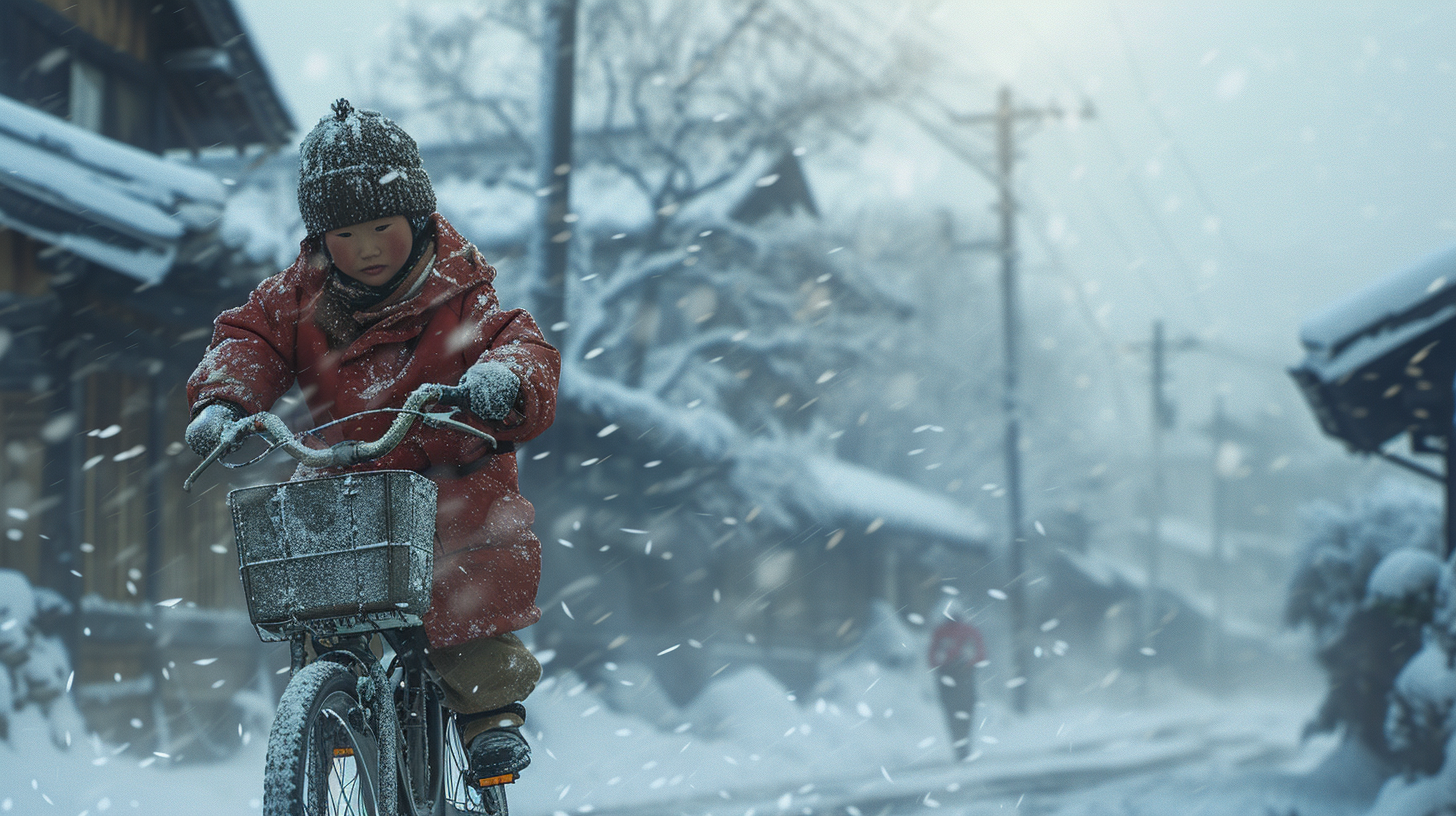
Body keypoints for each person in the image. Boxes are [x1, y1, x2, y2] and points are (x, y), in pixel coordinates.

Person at [184, 99, 559, 785]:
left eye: (382, 227)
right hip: (347, 479)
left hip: (449, 472)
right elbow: (250, 339)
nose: (365, 248)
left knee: (465, 592)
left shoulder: (459, 292)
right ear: (321, 237)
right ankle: (332, 708)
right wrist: (225, 400)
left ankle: (486, 720)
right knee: (323, 596)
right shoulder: (297, 295)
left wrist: (502, 382)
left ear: (415, 219)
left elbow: (520, 345)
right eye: (345, 234)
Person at [927, 602, 985, 761]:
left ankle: (959, 745)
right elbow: (980, 654)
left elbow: (932, 658)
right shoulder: (968, 631)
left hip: (949, 675)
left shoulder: (941, 632)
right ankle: (962, 745)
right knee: (964, 711)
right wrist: (969, 664)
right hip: (962, 675)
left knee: (953, 712)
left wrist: (942, 665)